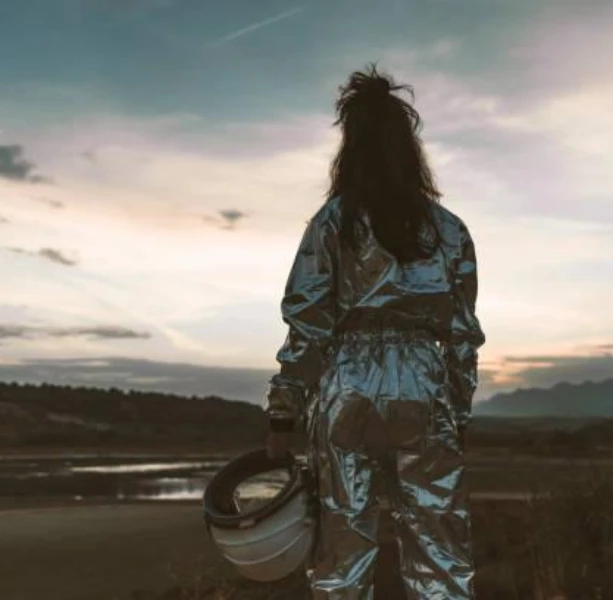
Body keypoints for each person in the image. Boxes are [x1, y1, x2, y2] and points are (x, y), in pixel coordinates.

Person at [263, 63, 485, 600]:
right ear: (410, 151)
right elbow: (462, 332)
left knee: (343, 539)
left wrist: (283, 409)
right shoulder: (447, 228)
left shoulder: (332, 222)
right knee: (438, 541)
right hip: (423, 382)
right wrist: (457, 407)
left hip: (348, 382)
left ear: (351, 148)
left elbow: (307, 321)